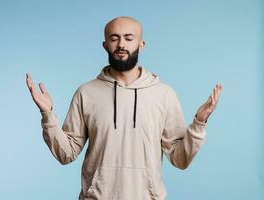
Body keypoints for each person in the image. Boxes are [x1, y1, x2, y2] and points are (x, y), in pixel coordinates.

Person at [26, 16, 222, 200]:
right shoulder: (86, 93)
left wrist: (199, 122)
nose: (121, 44)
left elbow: (180, 159)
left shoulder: (164, 95)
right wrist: (48, 114)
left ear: (141, 44)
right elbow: (65, 154)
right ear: (105, 45)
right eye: (114, 38)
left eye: (129, 38)